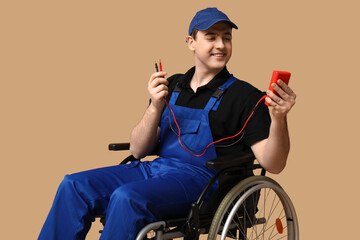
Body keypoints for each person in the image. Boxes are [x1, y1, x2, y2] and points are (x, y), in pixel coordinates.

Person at [38, 7, 296, 240]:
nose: (221, 44)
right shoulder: (171, 85)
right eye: (211, 37)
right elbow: (139, 151)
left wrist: (279, 118)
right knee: (73, 185)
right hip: (155, 170)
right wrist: (155, 105)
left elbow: (274, 164)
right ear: (191, 43)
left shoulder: (245, 96)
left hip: (203, 181)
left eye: (226, 37)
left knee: (127, 198)